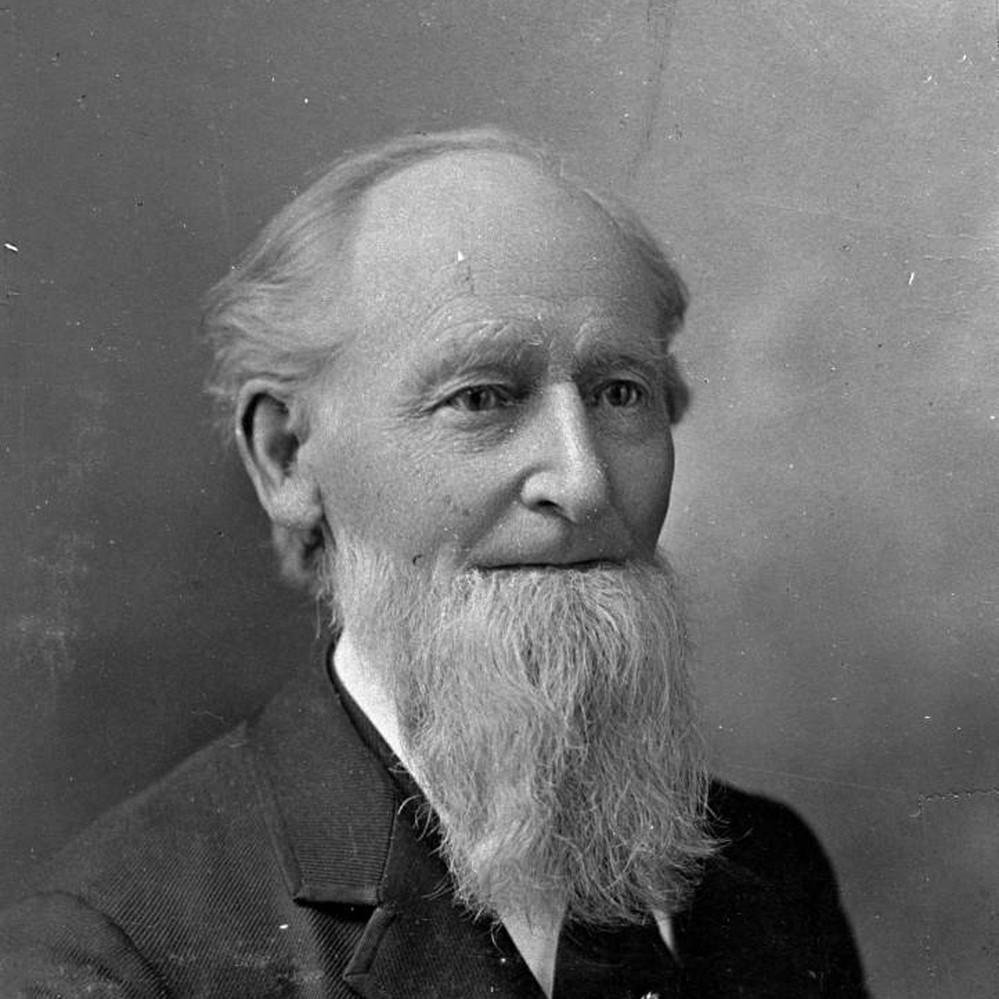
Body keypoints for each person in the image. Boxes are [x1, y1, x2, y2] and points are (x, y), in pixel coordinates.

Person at [0, 127, 869, 997]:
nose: (583, 482)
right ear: (287, 457)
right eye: (481, 397)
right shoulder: (111, 957)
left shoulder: (769, 872)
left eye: (619, 392)